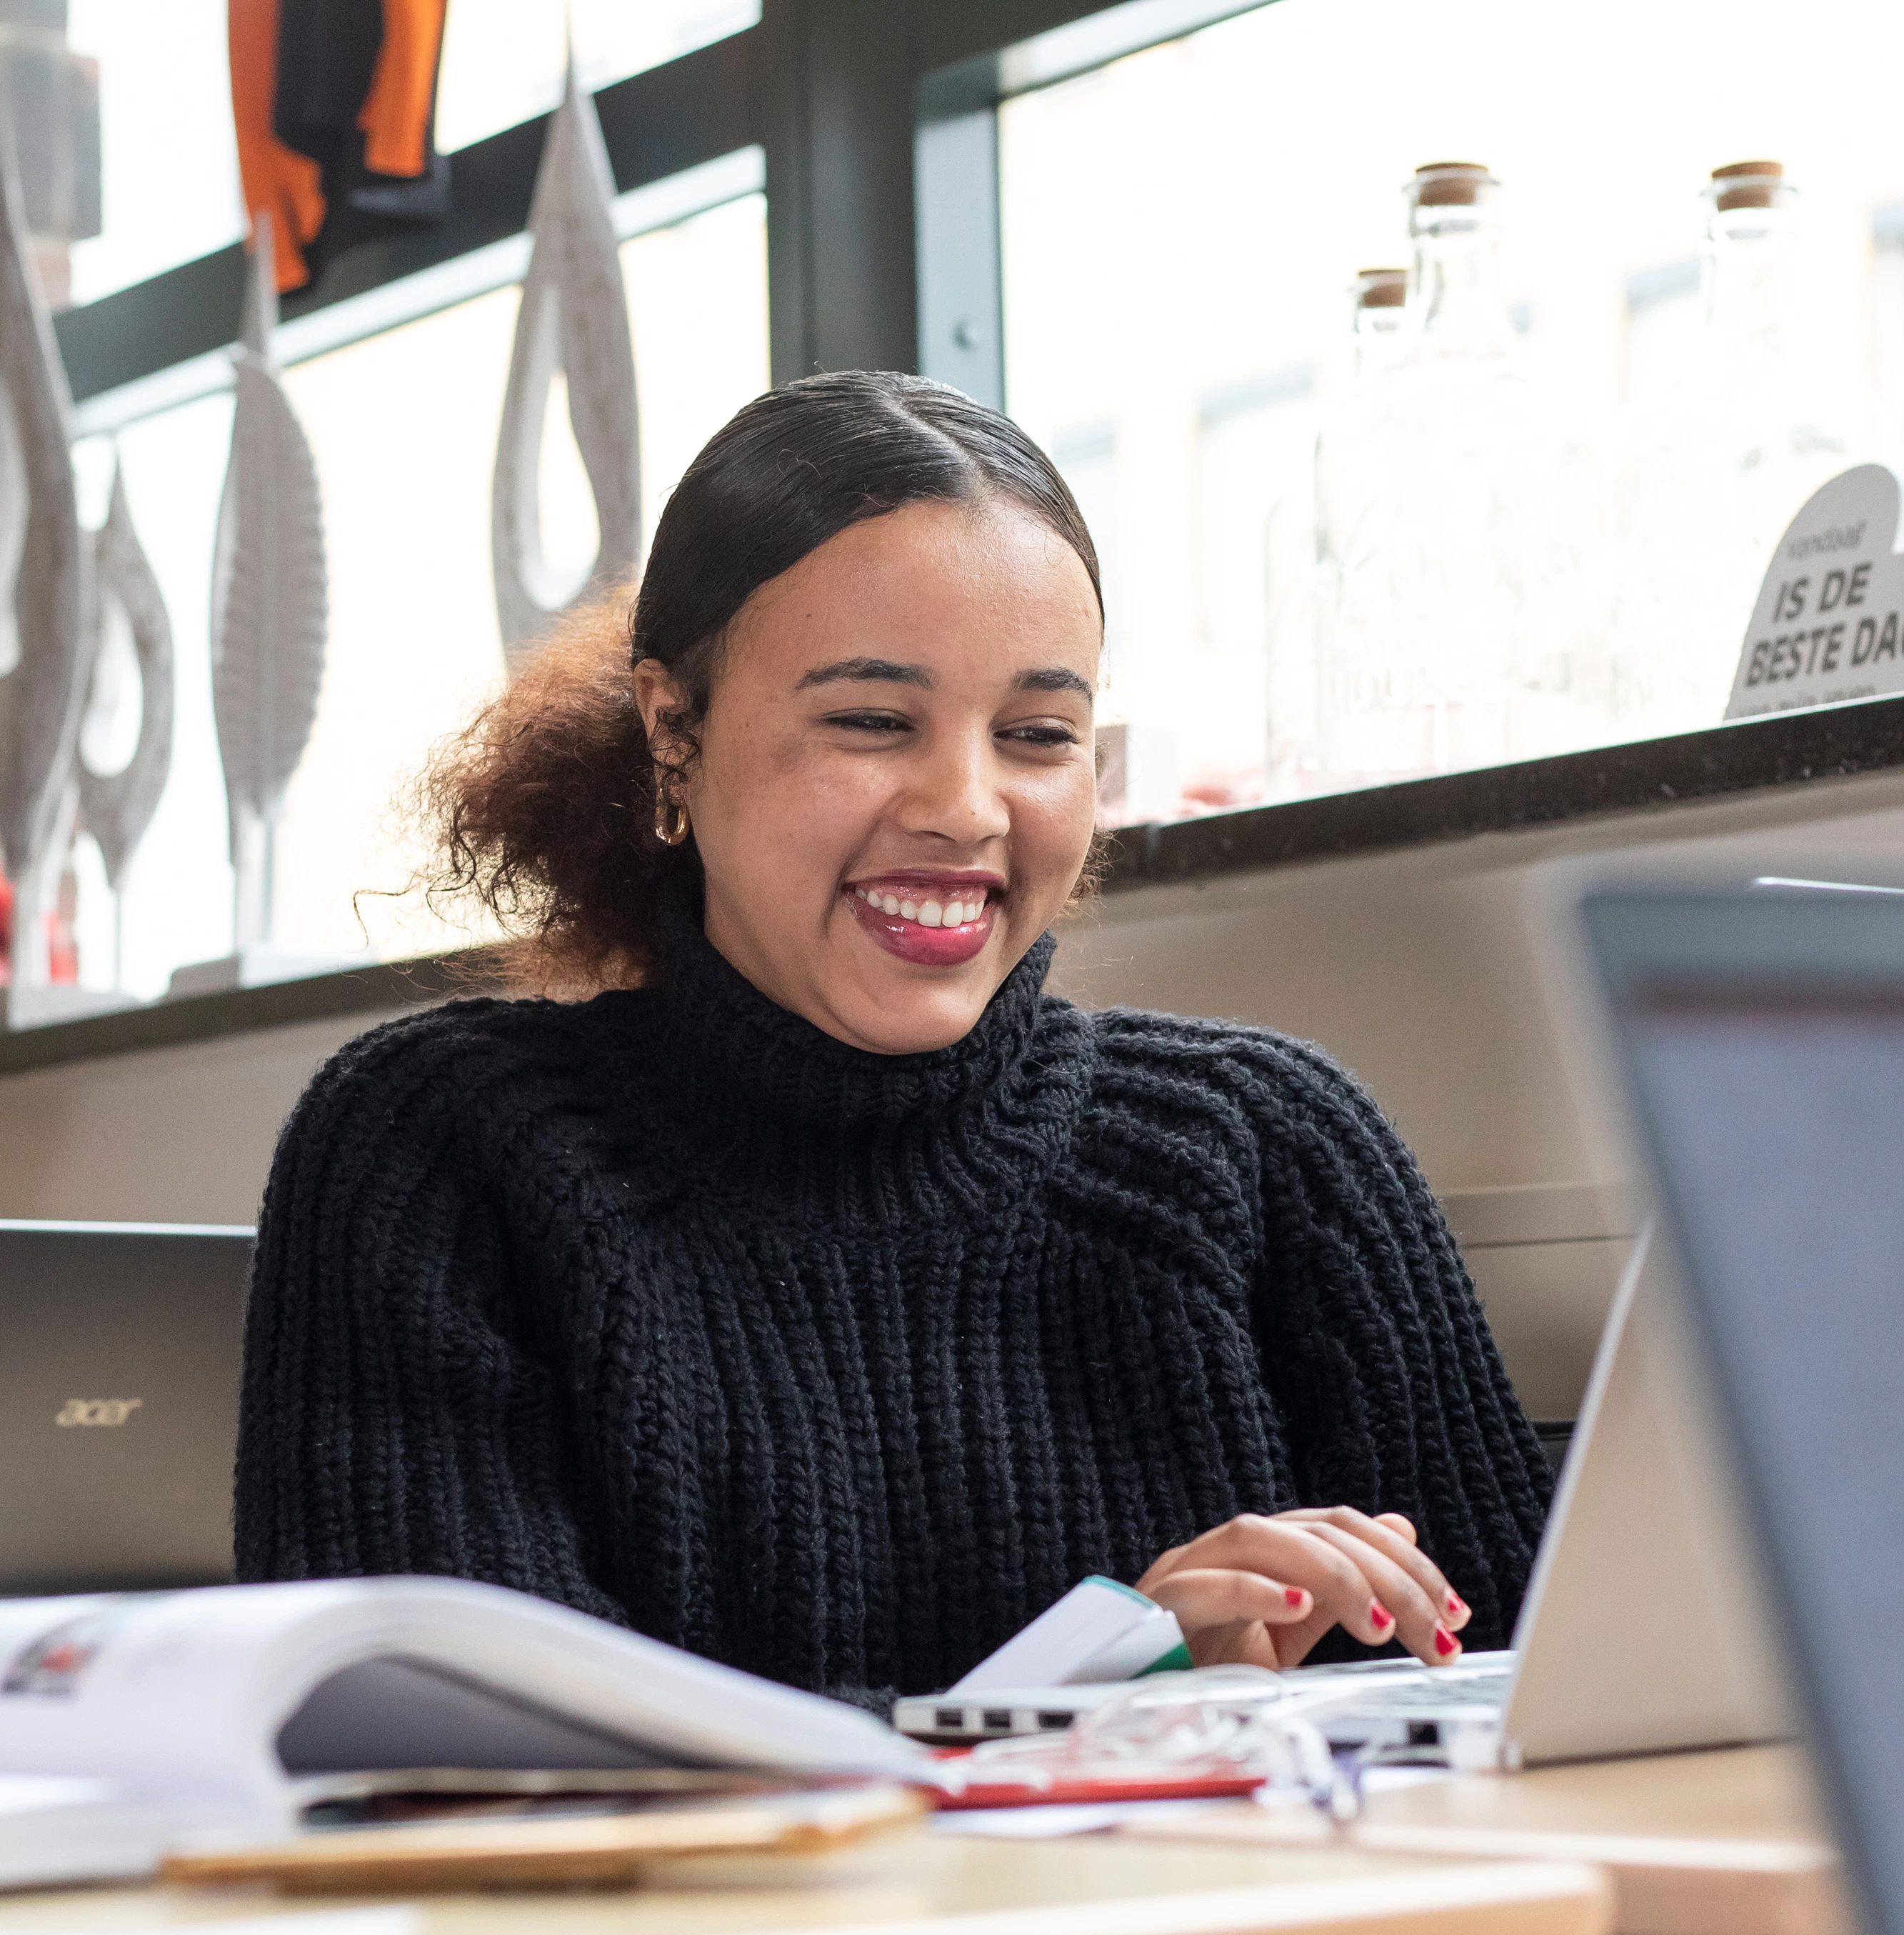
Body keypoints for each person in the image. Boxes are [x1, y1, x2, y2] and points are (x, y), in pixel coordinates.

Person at [235, 371, 1550, 1705]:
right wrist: (1079, 1700)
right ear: (671, 733)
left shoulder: (1270, 1142)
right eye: (871, 721)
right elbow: (446, 1753)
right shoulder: (442, 1151)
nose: (966, 807)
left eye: (1039, 734)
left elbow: (1552, 1699)